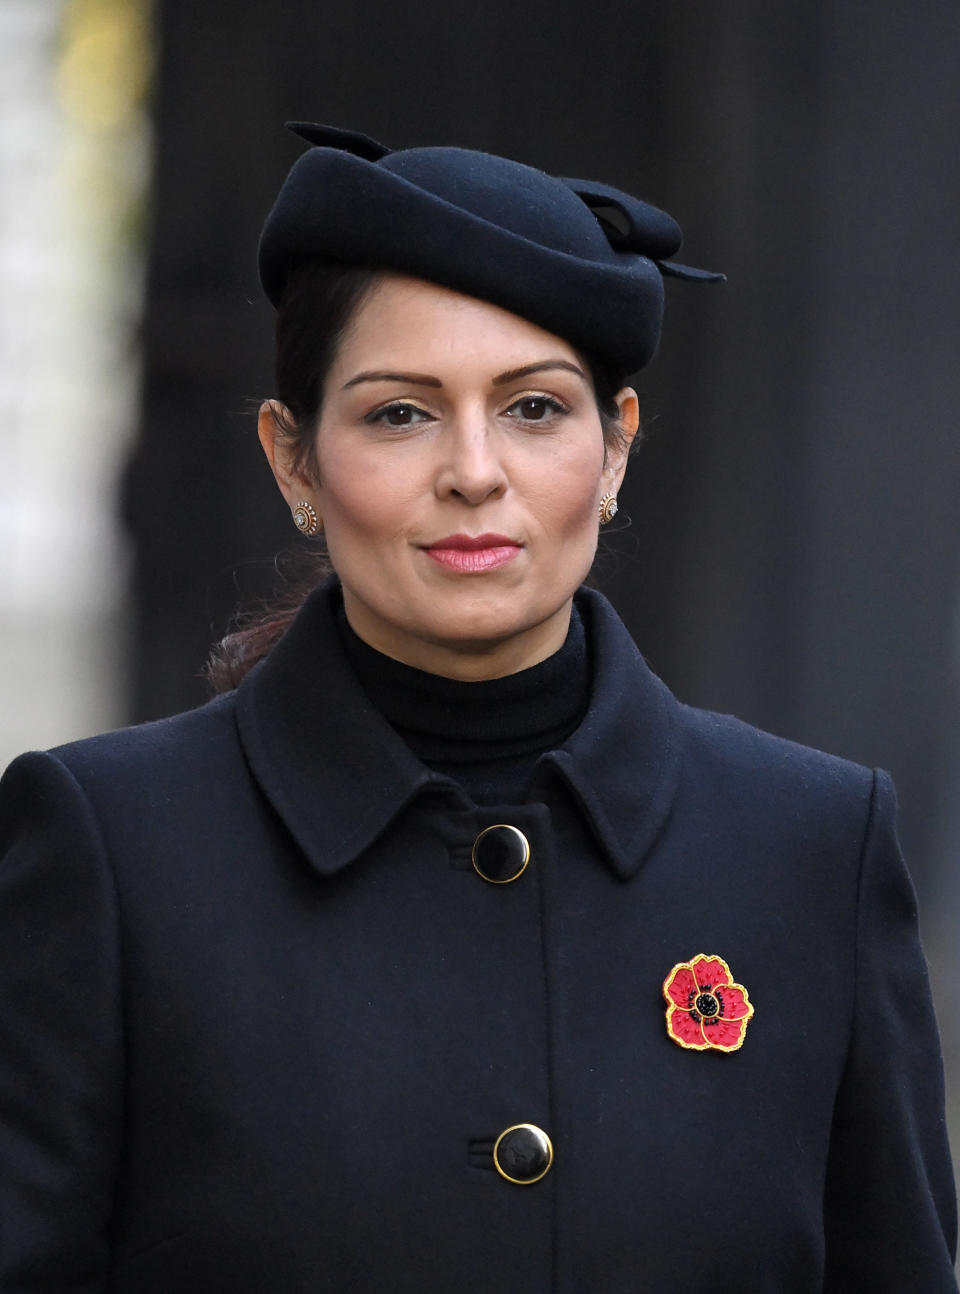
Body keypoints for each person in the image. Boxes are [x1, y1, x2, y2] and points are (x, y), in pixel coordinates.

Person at [0, 123, 956, 1293]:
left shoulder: (811, 849)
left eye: (536, 409)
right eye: (400, 412)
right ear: (293, 460)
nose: (472, 471)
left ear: (615, 448)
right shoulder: (113, 848)